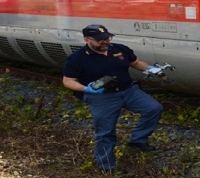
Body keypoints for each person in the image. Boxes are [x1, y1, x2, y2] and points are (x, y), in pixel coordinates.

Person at [62, 24, 164, 173]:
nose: (105, 41)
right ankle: (106, 166)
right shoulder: (77, 58)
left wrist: (150, 69)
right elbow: (68, 81)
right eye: (100, 40)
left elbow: (135, 62)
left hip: (129, 91)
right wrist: (86, 89)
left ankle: (138, 140)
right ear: (87, 40)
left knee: (154, 109)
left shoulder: (119, 49)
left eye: (107, 38)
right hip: (102, 97)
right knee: (105, 132)